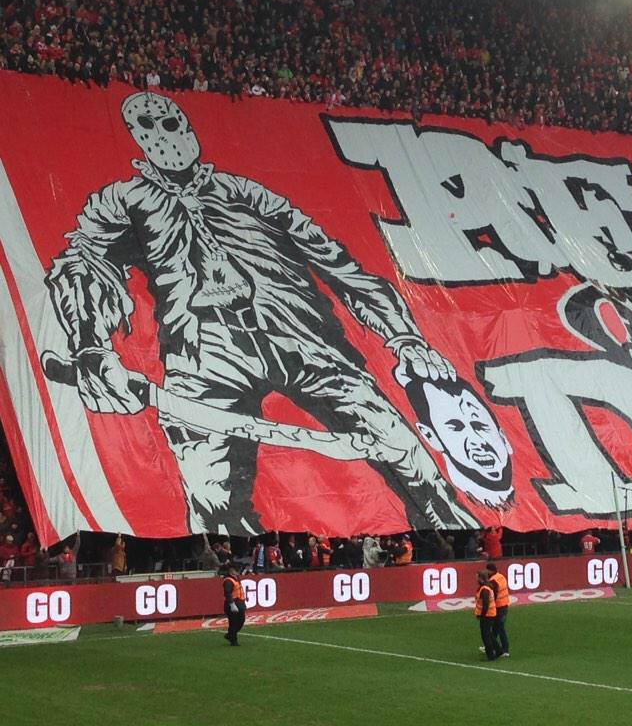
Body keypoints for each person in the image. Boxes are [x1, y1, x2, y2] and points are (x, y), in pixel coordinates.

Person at [44, 92, 478, 535]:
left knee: (407, 455)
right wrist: (91, 347)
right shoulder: (123, 201)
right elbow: (82, 263)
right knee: (212, 497)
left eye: (171, 124)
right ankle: (234, 567)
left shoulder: (248, 194)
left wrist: (403, 337)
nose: (164, 137)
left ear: (189, 128)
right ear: (135, 138)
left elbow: (336, 262)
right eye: (148, 128)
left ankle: (457, 540)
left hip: (295, 334)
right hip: (204, 351)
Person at [408, 376, 514, 507]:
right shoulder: (437, 500)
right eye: (457, 428)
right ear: (430, 436)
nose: (477, 441)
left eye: (480, 426)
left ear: (503, 438)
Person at [486, 562, 511, 658]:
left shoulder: (493, 580)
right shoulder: (501, 576)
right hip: (505, 604)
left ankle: (505, 649)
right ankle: (491, 645)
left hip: (498, 606)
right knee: (496, 627)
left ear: (490, 570)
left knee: (500, 628)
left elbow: (494, 595)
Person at [474, 570, 499, 661]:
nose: (476, 579)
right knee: (489, 634)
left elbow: (485, 604)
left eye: (477, 577)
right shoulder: (487, 587)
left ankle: (490, 655)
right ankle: (498, 650)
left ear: (481, 578)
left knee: (486, 635)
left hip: (487, 615)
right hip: (490, 613)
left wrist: (482, 615)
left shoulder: (484, 589)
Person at [222, 565, 246, 646]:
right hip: (233, 603)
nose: (238, 572)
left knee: (241, 620)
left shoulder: (236, 578)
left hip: (239, 602)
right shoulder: (228, 581)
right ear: (231, 571)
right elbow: (227, 593)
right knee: (234, 622)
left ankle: (230, 635)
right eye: (236, 570)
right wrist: (232, 604)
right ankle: (233, 640)